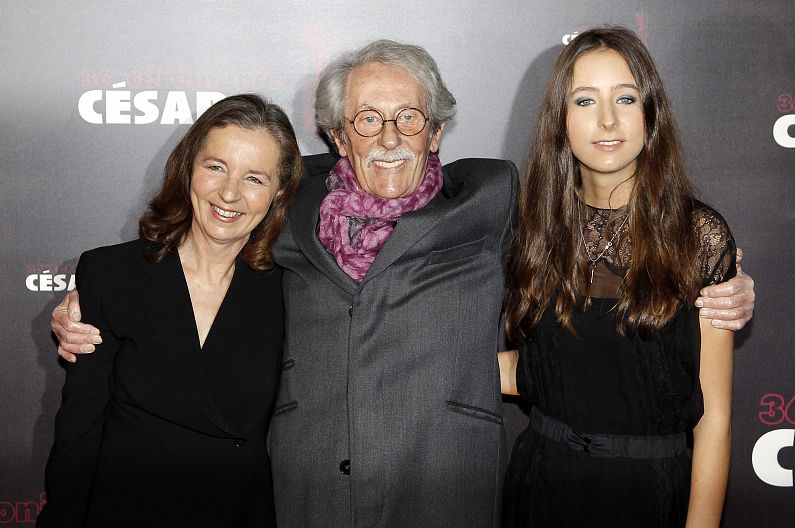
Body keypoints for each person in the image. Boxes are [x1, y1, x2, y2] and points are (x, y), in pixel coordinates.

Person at [51, 40, 754, 528]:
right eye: (367, 119)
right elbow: (217, 225)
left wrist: (721, 281)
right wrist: (94, 302)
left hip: (445, 492)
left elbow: (601, 252)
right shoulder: (286, 210)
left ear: (436, 131)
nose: (389, 137)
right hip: (307, 496)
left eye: (408, 118)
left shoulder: (493, 202)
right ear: (338, 136)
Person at [500, 27, 735, 527]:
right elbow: (539, 368)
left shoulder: (698, 236)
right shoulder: (533, 230)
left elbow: (713, 418)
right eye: (585, 100)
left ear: (650, 113)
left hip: (650, 494)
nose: (607, 119)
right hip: (543, 484)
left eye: (625, 98)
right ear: (560, 120)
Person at [37, 94, 303, 528]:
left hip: (235, 513)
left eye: (255, 178)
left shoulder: (292, 286)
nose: (229, 193)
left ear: (279, 192)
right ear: (187, 168)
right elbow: (78, 435)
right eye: (215, 167)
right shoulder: (113, 274)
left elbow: (360, 173)